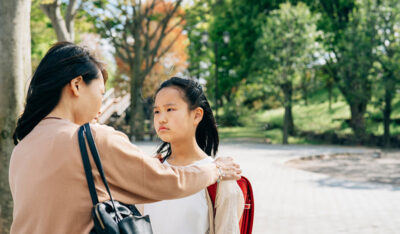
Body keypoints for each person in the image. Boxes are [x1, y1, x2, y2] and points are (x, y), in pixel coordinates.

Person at [8, 42, 241, 234]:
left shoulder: (22, 149)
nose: (100, 107)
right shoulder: (91, 140)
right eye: (100, 93)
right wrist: (216, 171)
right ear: (77, 85)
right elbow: (167, 182)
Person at [143, 77, 244, 234]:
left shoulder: (221, 179)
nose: (161, 118)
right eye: (157, 111)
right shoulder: (151, 171)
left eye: (170, 109)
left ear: (196, 115)